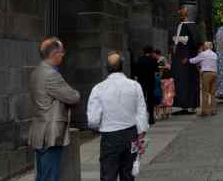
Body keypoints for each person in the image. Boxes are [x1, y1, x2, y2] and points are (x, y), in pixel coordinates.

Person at [87, 52, 148, 181]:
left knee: (108, 175)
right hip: (130, 134)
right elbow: (141, 111)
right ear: (123, 66)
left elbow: (93, 120)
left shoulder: (98, 89)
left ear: (107, 68)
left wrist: (99, 125)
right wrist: (141, 133)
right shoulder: (135, 86)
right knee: (128, 174)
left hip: (110, 137)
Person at [29, 38, 80, 181]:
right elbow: (73, 97)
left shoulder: (36, 72)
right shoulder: (51, 75)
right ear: (55, 54)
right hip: (50, 133)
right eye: (62, 52)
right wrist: (75, 94)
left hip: (40, 131)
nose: (63, 55)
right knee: (50, 176)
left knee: (42, 175)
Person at [171, 15, 200, 115]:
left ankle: (189, 105)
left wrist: (187, 56)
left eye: (182, 9)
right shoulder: (179, 25)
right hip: (178, 59)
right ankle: (182, 105)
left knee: (187, 82)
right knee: (179, 82)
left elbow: (194, 43)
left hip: (185, 60)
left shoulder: (191, 26)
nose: (179, 12)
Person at [189, 42, 219, 116]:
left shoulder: (203, 54)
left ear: (205, 47)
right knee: (212, 93)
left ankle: (204, 111)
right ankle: (213, 110)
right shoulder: (215, 54)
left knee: (205, 93)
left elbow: (194, 60)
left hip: (206, 74)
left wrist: (188, 60)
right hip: (214, 74)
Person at [134, 46, 158, 125]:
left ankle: (143, 117)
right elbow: (156, 70)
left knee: (142, 99)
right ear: (151, 52)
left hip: (142, 82)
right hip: (150, 81)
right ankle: (151, 117)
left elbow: (136, 72)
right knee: (150, 99)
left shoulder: (140, 60)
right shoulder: (153, 60)